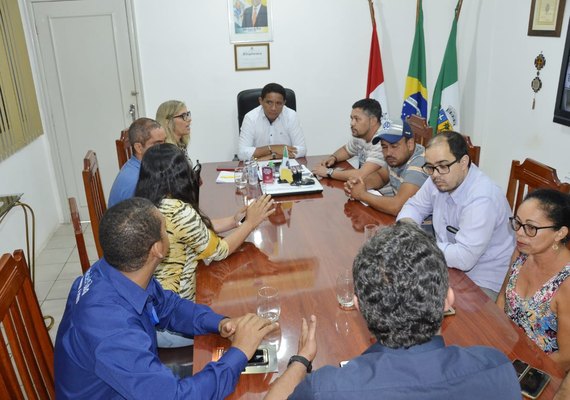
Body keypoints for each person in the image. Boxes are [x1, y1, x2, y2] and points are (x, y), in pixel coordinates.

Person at [54, 197, 279, 399]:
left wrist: (219, 323)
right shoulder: (112, 331)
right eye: (165, 227)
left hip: (129, 381)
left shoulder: (118, 271)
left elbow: (168, 306)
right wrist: (239, 353)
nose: (168, 229)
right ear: (157, 249)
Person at [266, 222, 521, 399]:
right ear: (448, 300)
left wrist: (300, 360)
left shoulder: (326, 389)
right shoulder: (496, 367)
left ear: (358, 307)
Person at [135, 143, 275, 347]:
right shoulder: (179, 211)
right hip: (174, 322)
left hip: (152, 314)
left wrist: (235, 220)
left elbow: (195, 229)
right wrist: (251, 224)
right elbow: (220, 251)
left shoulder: (146, 203)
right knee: (245, 318)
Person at [397, 131, 514, 300]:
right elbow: (413, 206)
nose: (435, 174)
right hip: (448, 264)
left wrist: (419, 244)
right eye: (430, 167)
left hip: (482, 282)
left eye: (443, 166)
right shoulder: (439, 178)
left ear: (463, 162)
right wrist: (409, 229)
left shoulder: (482, 197)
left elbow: (464, 258)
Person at [497, 189, 570, 371]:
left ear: (560, 233)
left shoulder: (566, 283)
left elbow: (565, 357)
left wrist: (519, 372)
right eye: (518, 223)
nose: (519, 233)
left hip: (540, 372)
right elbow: (501, 300)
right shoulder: (522, 252)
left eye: (531, 228)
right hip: (507, 351)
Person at [344, 120, 428, 216]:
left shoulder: (421, 164)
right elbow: (380, 176)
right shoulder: (397, 158)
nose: (388, 153)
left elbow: (397, 207)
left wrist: (361, 194)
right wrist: (358, 184)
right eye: (384, 147)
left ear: (410, 144)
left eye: (394, 146)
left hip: (418, 228)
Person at [312, 98, 385, 182]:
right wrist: (334, 157)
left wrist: (329, 172)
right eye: (352, 118)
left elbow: (361, 174)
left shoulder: (382, 142)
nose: (352, 123)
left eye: (357, 119)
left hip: (378, 192)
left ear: (372, 121)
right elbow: (347, 150)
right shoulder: (361, 135)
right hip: (362, 186)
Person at [238, 82, 306, 161]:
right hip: (258, 166)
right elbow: (242, 153)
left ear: (284, 103)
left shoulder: (291, 116)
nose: (273, 108)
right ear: (261, 101)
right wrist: (273, 148)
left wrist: (273, 155)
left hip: (284, 166)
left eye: (278, 103)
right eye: (269, 102)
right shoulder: (250, 117)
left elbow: (302, 149)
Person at [108, 118, 166, 207]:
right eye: (157, 144)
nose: (165, 148)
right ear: (139, 148)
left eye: (164, 142)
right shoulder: (137, 180)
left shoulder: (142, 166)